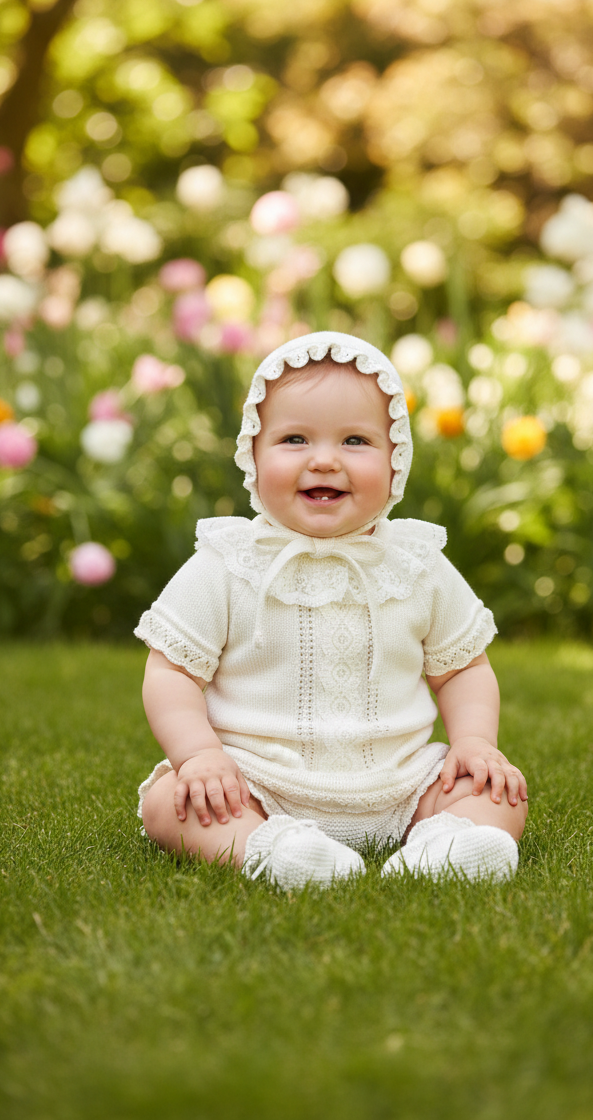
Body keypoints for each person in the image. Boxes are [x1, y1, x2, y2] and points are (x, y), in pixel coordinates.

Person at [136, 331, 528, 888]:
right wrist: (199, 754)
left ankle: (445, 844)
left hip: (401, 781)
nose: (324, 460)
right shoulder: (228, 562)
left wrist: (473, 742)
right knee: (169, 802)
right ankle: (274, 851)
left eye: (355, 441)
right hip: (256, 782)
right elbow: (171, 670)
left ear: (398, 459)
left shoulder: (416, 564)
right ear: (253, 452)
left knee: (498, 794)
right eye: (295, 439)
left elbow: (463, 667)